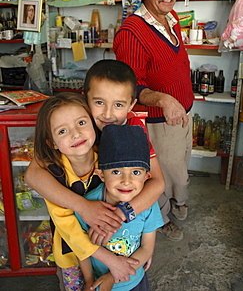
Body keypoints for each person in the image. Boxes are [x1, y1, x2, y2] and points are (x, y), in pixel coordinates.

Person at [24, 60, 165, 283]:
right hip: (75, 243)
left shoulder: (132, 130)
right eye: (99, 102)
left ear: (130, 105)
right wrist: (84, 207)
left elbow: (156, 182)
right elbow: (32, 175)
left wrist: (123, 217)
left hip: (119, 235)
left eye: (118, 105)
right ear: (85, 99)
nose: (108, 114)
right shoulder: (77, 126)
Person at [113, 0, 194, 241]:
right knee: (161, 178)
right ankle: (161, 220)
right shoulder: (132, 33)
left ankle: (176, 205)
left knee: (180, 170)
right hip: (159, 121)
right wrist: (164, 100)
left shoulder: (171, 19)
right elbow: (130, 86)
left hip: (183, 114)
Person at [33, 92, 139, 290]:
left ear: (92, 123)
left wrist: (144, 248)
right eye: (62, 131)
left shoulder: (110, 161)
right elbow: (69, 230)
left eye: (81, 123)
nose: (75, 134)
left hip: (114, 245)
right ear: (52, 143)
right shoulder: (54, 178)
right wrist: (110, 260)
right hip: (72, 255)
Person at [76, 123, 164, 291]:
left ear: (147, 176)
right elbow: (82, 248)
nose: (126, 181)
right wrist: (88, 281)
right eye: (116, 172)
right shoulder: (88, 206)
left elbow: (147, 248)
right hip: (98, 283)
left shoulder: (148, 204)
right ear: (101, 174)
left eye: (136, 172)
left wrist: (112, 277)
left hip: (133, 281)